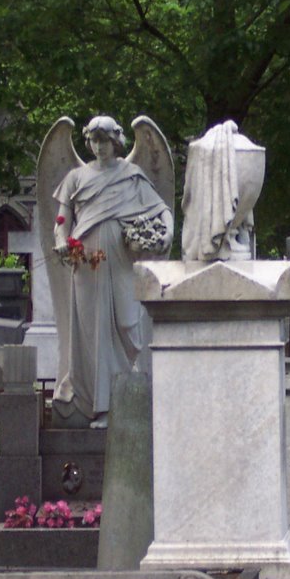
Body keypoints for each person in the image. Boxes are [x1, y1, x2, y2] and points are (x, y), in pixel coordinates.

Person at [52, 115, 173, 428]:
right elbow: (61, 221)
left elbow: (162, 211)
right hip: (86, 263)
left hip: (119, 259)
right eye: (94, 140)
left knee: (126, 323)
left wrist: (168, 233)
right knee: (93, 332)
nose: (99, 146)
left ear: (116, 141)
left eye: (104, 140)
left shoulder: (131, 175)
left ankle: (127, 394)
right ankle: (102, 407)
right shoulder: (76, 178)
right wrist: (62, 242)